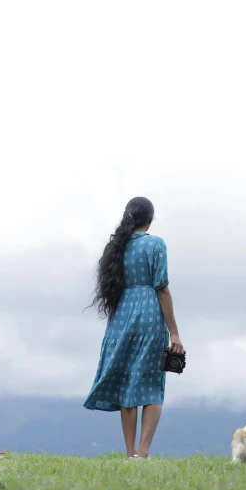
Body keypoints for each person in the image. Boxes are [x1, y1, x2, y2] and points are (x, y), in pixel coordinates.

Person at [84, 196, 184, 458]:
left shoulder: (116, 247)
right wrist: (174, 332)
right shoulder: (155, 244)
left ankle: (129, 454)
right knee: (151, 382)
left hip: (120, 317)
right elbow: (161, 287)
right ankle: (143, 452)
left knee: (127, 383)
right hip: (149, 315)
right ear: (150, 219)